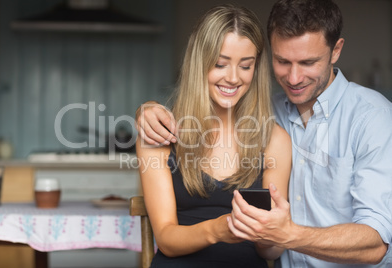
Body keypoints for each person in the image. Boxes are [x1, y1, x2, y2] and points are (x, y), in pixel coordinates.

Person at [135, 0, 392, 267]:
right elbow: (166, 236)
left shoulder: (371, 118)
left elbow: (376, 244)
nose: (293, 78)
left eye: (307, 62)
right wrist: (145, 110)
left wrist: (281, 234)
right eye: (282, 61)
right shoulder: (273, 111)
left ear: (336, 50)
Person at [136, 4, 291, 268]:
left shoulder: (274, 139)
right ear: (200, 62)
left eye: (245, 66)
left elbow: (270, 253)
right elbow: (166, 239)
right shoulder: (160, 131)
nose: (233, 78)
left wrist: (274, 232)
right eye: (220, 64)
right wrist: (217, 230)